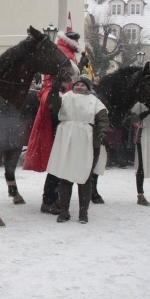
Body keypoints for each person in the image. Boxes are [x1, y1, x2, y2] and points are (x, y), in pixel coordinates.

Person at [24, 29, 82, 213]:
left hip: (62, 95)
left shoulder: (68, 52)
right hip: (59, 98)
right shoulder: (65, 53)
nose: (78, 42)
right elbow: (62, 80)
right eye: (76, 39)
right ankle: (50, 199)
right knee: (59, 156)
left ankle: (52, 197)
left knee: (60, 158)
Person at [45, 75, 109, 224]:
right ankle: (64, 212)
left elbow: (103, 118)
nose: (79, 87)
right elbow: (52, 103)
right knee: (65, 178)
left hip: (87, 140)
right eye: (77, 84)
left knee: (84, 178)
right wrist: (54, 88)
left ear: (88, 87)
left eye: (83, 85)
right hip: (67, 139)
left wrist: (103, 131)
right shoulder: (65, 97)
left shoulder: (95, 101)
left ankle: (83, 214)